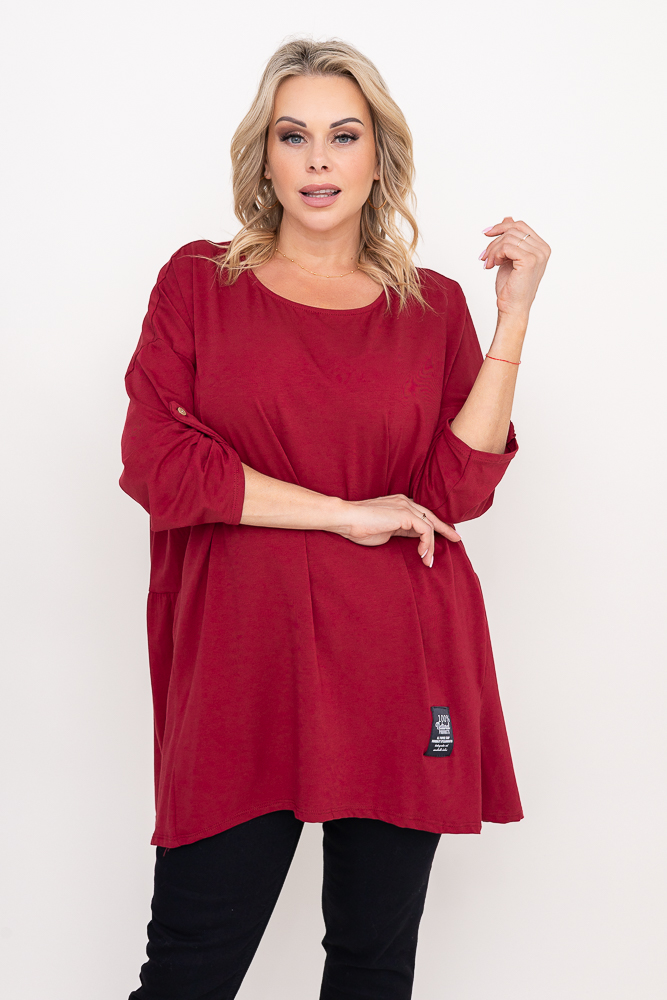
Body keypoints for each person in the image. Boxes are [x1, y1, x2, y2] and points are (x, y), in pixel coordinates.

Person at [120, 37, 550, 1000]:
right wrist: (341, 512)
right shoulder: (199, 283)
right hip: (241, 662)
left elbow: (452, 495)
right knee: (188, 969)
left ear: (377, 156)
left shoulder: (433, 306)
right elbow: (157, 462)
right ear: (264, 156)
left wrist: (513, 316)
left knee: (371, 968)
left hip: (400, 657)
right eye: (294, 135)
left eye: (344, 135)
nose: (319, 159)